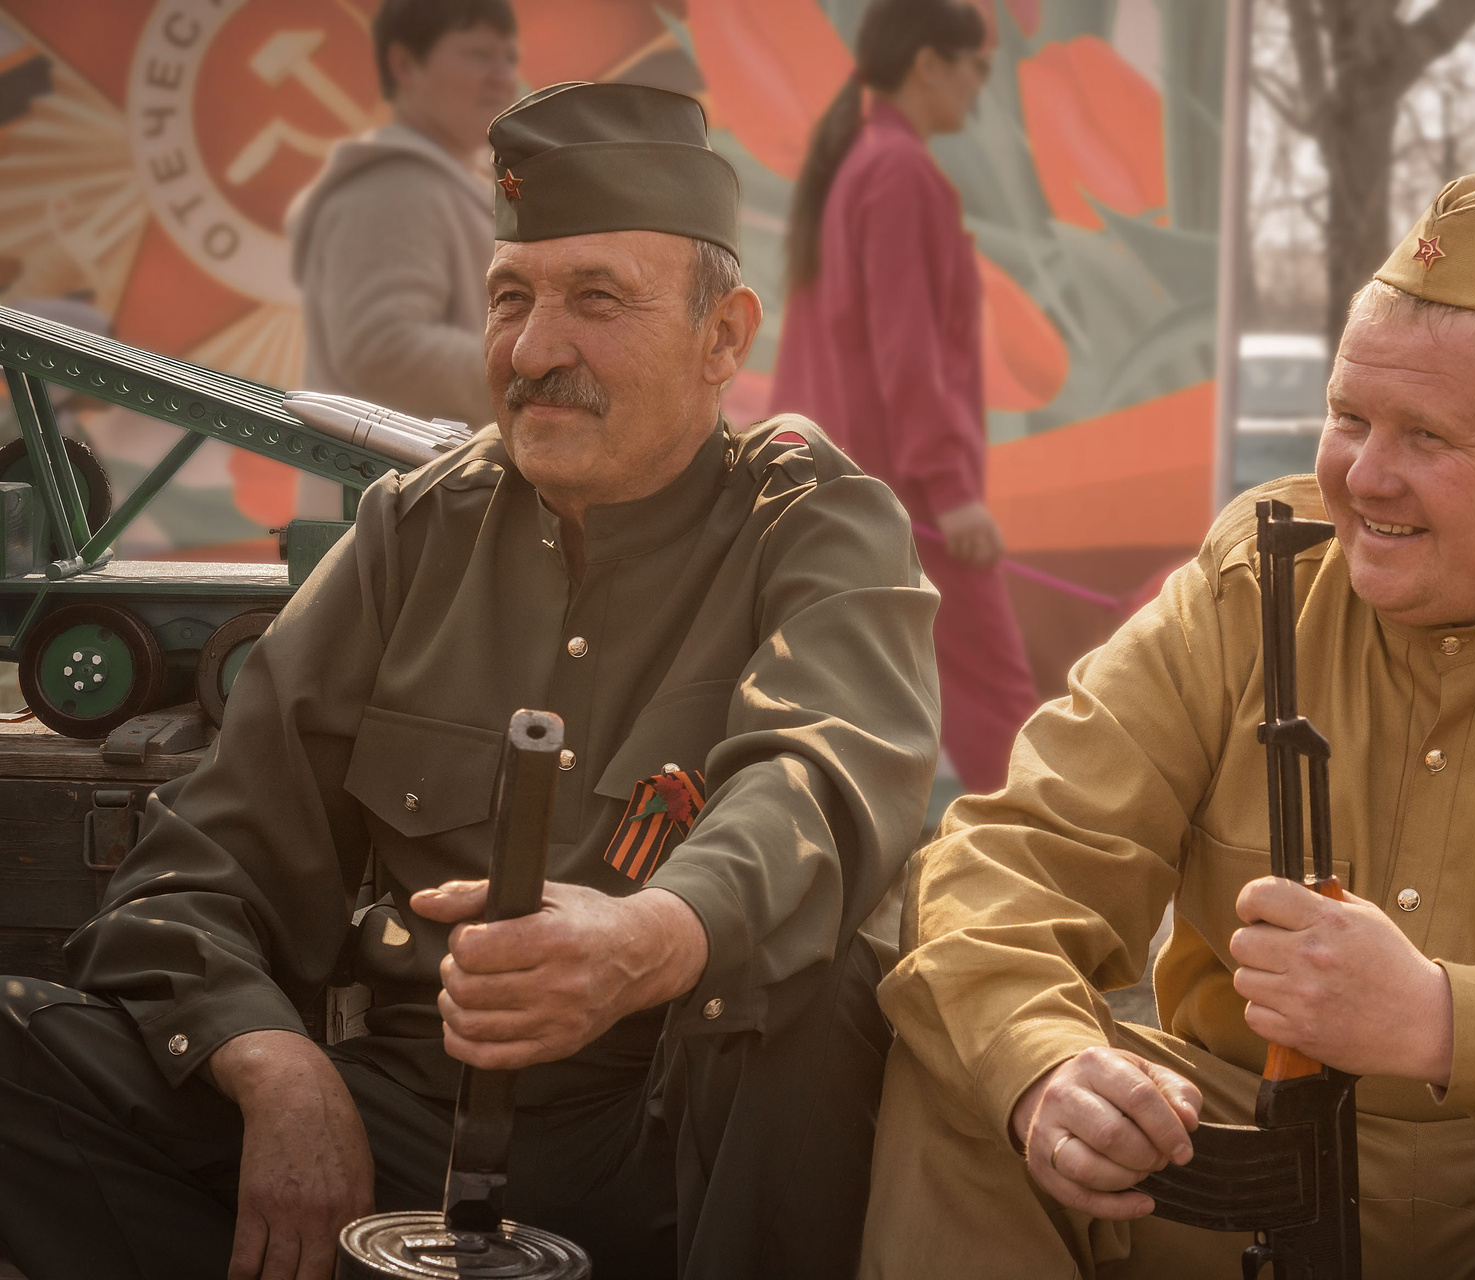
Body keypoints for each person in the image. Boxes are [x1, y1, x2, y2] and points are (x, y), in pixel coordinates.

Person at [0, 82, 940, 1280]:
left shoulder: (810, 520)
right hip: (405, 1124)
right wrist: (271, 1064)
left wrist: (648, 936)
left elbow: (818, 776)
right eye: (509, 299)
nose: (534, 352)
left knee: (807, 986)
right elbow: (204, 866)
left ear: (724, 336)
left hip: (676, 1133)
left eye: (596, 298)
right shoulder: (414, 530)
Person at [860, 174, 1475, 1279]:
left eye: (1428, 435)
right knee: (972, 1073)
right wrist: (1046, 1067)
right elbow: (1009, 862)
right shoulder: (1256, 584)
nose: (1363, 475)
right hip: (1240, 1154)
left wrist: (1445, 1020)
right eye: (1348, 416)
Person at [771, 0, 1039, 796]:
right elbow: (908, 354)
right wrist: (953, 493)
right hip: (909, 507)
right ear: (928, 63)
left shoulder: (860, 161)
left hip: (853, 497)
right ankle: (1041, 870)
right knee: (1001, 714)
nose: (981, 87)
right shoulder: (900, 172)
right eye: (976, 67)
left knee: (853, 708)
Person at [287, 0, 518, 433]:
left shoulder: (436, 181)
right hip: (394, 472)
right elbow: (382, 349)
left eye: (509, 58)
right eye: (480, 55)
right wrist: (529, 369)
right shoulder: (394, 186)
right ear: (406, 65)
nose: (504, 78)